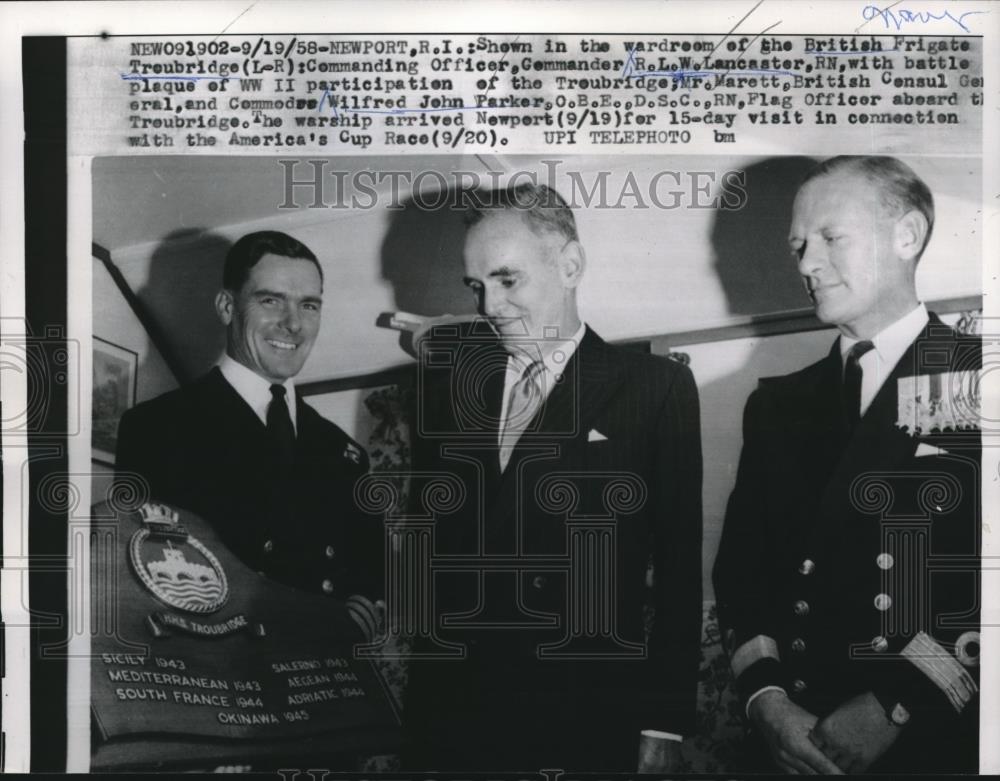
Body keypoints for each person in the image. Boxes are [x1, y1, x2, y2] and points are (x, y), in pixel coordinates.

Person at [403, 184, 703, 772]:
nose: (489, 306)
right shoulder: (448, 394)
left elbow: (678, 571)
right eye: (476, 285)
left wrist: (663, 721)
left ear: (570, 265)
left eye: (507, 280)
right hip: (459, 718)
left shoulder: (652, 387)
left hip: (584, 715)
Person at [714, 156, 981, 774]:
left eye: (830, 238)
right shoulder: (776, 405)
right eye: (799, 245)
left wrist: (896, 705)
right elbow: (742, 573)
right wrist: (767, 701)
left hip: (933, 740)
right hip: (790, 740)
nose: (806, 264)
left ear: (907, 236)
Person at [116, 230, 383, 629]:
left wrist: (366, 610)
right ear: (227, 306)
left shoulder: (343, 452)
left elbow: (372, 578)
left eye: (308, 305)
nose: (293, 323)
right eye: (271, 300)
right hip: (221, 672)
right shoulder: (158, 427)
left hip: (320, 672)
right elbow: (141, 569)